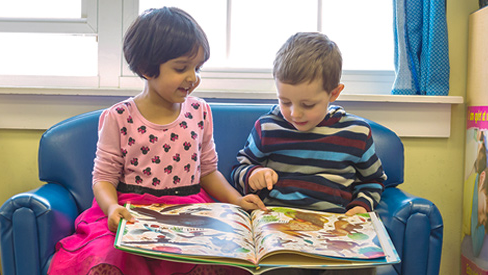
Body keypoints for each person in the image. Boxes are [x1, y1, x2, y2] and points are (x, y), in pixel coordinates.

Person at [48, 7, 265, 275]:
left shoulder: (200, 111)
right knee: (108, 256)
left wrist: (237, 200)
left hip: (190, 211)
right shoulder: (118, 117)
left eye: (197, 68)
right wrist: (112, 207)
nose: (193, 77)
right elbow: (103, 178)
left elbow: (208, 171)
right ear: (146, 69)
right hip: (132, 212)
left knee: (217, 257)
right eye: (181, 68)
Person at [231, 32, 387, 275]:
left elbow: (374, 180)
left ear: (334, 94)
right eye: (285, 102)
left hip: (335, 234)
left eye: (307, 105)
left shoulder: (356, 132)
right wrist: (253, 174)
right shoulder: (268, 127)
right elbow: (239, 167)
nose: (295, 114)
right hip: (279, 236)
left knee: (359, 269)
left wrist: (361, 206)